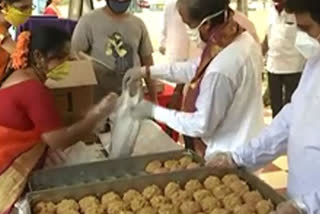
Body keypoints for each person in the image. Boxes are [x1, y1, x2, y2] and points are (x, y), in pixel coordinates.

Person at [206, 0, 320, 213]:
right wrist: (238, 157)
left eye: (306, 29)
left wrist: (309, 205)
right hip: (296, 200)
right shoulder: (316, 64)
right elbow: (291, 120)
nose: (301, 36)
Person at [124, 0, 264, 159]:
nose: (186, 30)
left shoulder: (221, 69)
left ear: (206, 24)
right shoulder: (236, 37)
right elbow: (194, 68)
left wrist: (154, 111)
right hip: (245, 137)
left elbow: (201, 125)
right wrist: (147, 71)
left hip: (229, 153)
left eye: (188, 24)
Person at [0, 26, 118, 213]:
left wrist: (83, 118)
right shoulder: (33, 89)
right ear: (39, 57)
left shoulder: (23, 77)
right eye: (62, 57)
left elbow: (48, 121)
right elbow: (57, 140)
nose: (68, 62)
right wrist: (97, 115)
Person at [71, 0, 157, 103]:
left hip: (132, 100)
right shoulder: (88, 21)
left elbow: (148, 63)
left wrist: (154, 99)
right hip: (99, 101)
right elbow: (74, 55)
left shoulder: (138, 24)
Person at [262, 0, 305, 117]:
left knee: (291, 107)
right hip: (273, 66)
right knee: (275, 108)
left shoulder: (297, 11)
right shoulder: (271, 9)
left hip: (293, 67)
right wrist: (260, 53)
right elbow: (268, 35)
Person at [0, 0, 33, 78]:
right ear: (4, 5)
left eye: (31, 8)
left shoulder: (5, 31)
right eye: (23, 8)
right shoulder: (2, 35)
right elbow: (22, 57)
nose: (27, 13)